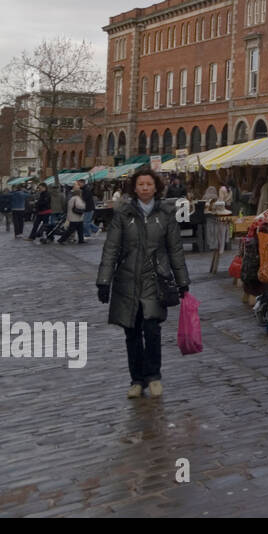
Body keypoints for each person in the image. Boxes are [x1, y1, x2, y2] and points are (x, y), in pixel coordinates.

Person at [95, 166, 190, 399]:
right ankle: (137, 380)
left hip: (155, 279)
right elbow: (111, 249)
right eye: (141, 184)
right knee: (132, 331)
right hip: (127, 280)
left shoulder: (166, 214)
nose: (145, 188)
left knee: (152, 329)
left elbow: (175, 250)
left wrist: (182, 281)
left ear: (156, 187)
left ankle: (154, 376)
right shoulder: (123, 214)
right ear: (135, 188)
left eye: (149, 184)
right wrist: (104, 281)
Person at [59, 180, 87, 244]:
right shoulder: (76, 198)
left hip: (75, 216)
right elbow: (80, 206)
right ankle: (61, 240)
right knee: (71, 230)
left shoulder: (72, 198)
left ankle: (81, 240)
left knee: (80, 229)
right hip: (75, 217)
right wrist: (85, 205)